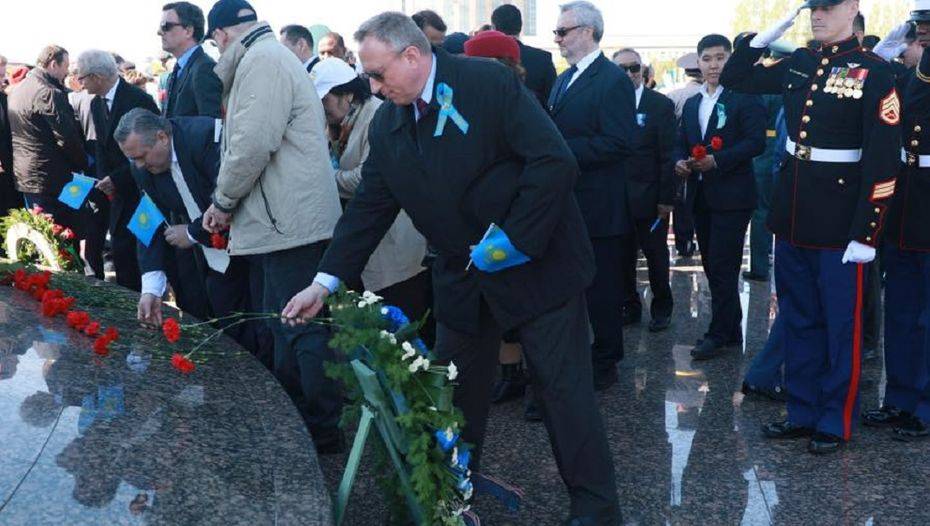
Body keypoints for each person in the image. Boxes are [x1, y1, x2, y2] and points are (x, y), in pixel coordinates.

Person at [282, 11, 621, 524]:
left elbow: (554, 162)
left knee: (562, 392)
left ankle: (596, 507)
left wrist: (511, 241)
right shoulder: (390, 124)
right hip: (462, 276)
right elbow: (370, 209)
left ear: (411, 56)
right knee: (451, 397)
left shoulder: (487, 83)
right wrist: (323, 283)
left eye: (377, 74)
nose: (372, 88)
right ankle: (449, 498)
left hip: (538, 265)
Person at [721, 0, 900, 454]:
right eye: (811, 8)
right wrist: (760, 40)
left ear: (852, 8)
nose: (816, 15)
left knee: (840, 325)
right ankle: (800, 411)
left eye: (827, 6)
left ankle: (835, 419)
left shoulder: (875, 72)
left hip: (840, 221)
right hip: (794, 213)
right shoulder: (801, 61)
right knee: (798, 317)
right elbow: (737, 78)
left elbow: (882, 160)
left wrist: (867, 232)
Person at [200, 0, 344, 454]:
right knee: (283, 324)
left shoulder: (262, 61)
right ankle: (303, 417)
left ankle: (322, 425)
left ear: (221, 35)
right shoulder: (264, 57)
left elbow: (251, 144)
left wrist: (223, 201)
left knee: (299, 326)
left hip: (289, 222)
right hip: (282, 219)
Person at [114, 108, 269, 362]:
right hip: (215, 257)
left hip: (255, 244)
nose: (139, 165)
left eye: (141, 156)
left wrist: (191, 233)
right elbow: (150, 219)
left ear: (162, 137)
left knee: (266, 325)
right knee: (232, 326)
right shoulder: (142, 169)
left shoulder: (204, 139)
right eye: (133, 159)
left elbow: (232, 198)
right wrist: (151, 287)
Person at [549, 1, 635, 389]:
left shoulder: (612, 79)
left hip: (600, 204)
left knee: (602, 287)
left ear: (586, 31)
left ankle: (606, 359)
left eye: (562, 31)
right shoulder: (563, 79)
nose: (557, 39)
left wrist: (562, 150)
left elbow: (619, 142)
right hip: (569, 202)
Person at [310, 57, 430, 328]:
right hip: (358, 239)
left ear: (348, 94)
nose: (321, 107)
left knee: (400, 324)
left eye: (325, 99)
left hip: (392, 239)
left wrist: (326, 178)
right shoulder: (333, 124)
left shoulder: (377, 116)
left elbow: (367, 177)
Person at [862, 3, 930, 441]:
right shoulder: (910, 73)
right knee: (901, 311)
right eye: (918, 26)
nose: (921, 33)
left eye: (927, 26)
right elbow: (879, 88)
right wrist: (884, 53)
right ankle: (900, 398)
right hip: (905, 203)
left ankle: (924, 406)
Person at [675, 34, 765, 360]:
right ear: (698, 63)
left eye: (720, 58)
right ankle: (731, 329)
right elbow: (681, 141)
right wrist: (679, 161)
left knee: (723, 265)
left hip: (733, 196)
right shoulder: (692, 103)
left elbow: (755, 142)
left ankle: (717, 334)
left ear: (730, 60)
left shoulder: (744, 97)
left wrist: (719, 160)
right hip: (701, 196)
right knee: (713, 266)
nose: (714, 65)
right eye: (707, 59)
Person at [76, 50, 160, 293]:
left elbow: (153, 148)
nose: (80, 83)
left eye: (82, 78)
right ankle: (127, 299)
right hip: (117, 191)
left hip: (142, 187)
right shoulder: (96, 103)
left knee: (142, 251)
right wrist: (106, 180)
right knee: (121, 250)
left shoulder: (137, 99)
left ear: (97, 77)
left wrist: (116, 178)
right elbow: (102, 147)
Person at [613, 47, 676, 332]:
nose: (629, 74)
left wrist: (666, 199)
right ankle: (630, 305)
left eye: (634, 68)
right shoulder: (606, 103)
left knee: (656, 256)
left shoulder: (659, 105)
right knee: (622, 257)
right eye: (622, 69)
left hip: (651, 198)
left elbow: (668, 156)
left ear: (643, 70)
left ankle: (662, 308)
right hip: (616, 199)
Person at [7, 46, 87, 232]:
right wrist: (85, 163)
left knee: (41, 234)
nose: (67, 72)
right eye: (65, 66)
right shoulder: (48, 92)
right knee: (61, 235)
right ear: (53, 64)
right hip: (51, 178)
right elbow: (66, 138)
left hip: (27, 175)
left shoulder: (17, 90)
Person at [666, 52, 703, 258]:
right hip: (702, 153)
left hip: (680, 155)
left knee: (682, 199)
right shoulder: (703, 95)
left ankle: (684, 241)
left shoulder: (674, 95)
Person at [159, 2, 223, 118]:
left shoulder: (204, 69)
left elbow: (212, 122)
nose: (159, 32)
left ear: (188, 31)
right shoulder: (180, 69)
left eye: (166, 26)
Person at [491, 3, 557, 109]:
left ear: (494, 28)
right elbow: (553, 99)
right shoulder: (543, 58)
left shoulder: (484, 59)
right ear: (521, 26)